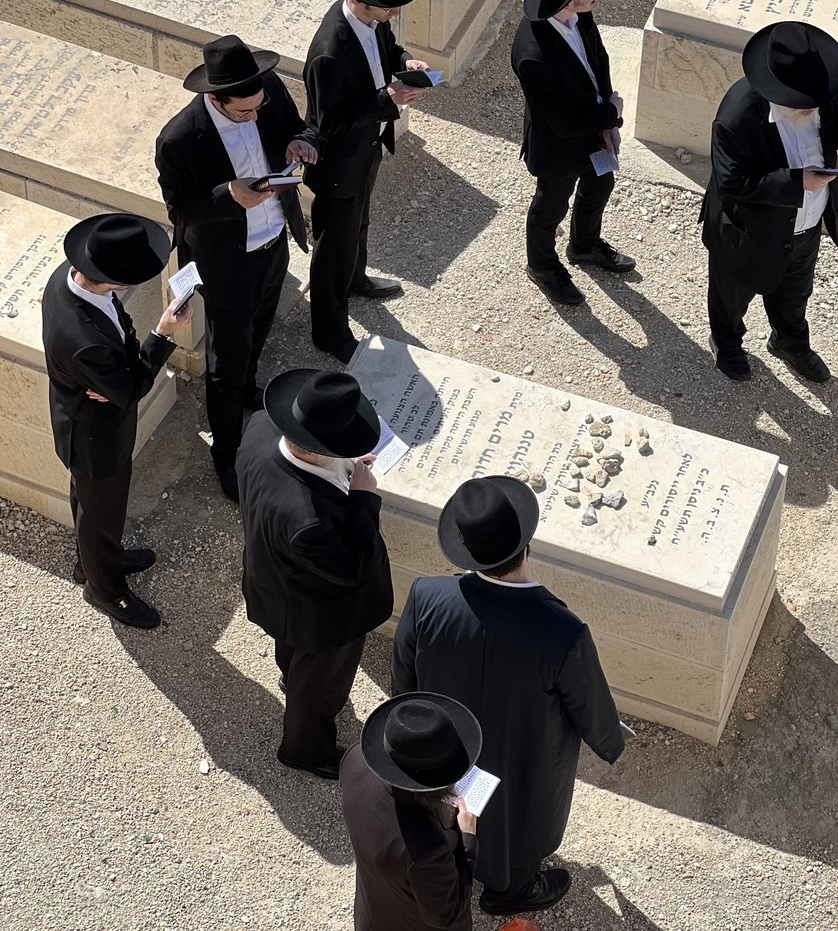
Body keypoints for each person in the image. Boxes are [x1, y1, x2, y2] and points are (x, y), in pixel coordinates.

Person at [392, 476, 625, 917]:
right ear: (526, 544)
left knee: (448, 812)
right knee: (521, 822)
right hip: (524, 756)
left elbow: (403, 679)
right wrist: (611, 741)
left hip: (448, 747)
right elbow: (589, 705)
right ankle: (511, 890)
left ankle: (460, 865)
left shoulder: (425, 597)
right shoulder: (562, 631)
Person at [156, 36, 318, 502]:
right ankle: (226, 455)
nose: (254, 115)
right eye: (243, 113)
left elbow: (298, 127)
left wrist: (300, 144)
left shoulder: (265, 92)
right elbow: (181, 210)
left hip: (274, 242)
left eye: (257, 108)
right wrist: (229, 194)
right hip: (227, 262)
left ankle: (249, 390)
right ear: (213, 98)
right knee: (226, 363)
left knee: (262, 322)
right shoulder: (179, 139)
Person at [236, 368, 393, 779]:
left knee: (291, 652)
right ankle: (304, 748)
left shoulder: (258, 428)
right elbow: (350, 566)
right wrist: (363, 498)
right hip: (321, 615)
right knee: (321, 682)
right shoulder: (310, 523)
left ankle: (292, 677)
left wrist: (345, 465)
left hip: (272, 581)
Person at [41, 212, 192, 628]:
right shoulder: (83, 343)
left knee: (94, 509)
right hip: (95, 439)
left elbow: (119, 372)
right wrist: (161, 335)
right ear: (115, 281)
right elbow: (130, 391)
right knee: (100, 512)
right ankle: (104, 589)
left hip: (90, 420)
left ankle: (93, 561)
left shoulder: (66, 278)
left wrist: (114, 375)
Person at [700, 21, 838, 383]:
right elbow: (731, 182)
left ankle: (789, 342)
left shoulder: (819, 87)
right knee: (732, 294)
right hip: (748, 231)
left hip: (806, 227)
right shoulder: (736, 116)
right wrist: (797, 183)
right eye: (804, 102)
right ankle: (726, 343)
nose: (813, 107)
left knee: (795, 293)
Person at [303, 0, 434, 362]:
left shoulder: (371, 22)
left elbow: (387, 49)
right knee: (332, 251)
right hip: (339, 163)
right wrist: (387, 100)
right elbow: (330, 123)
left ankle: (355, 279)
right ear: (359, 1)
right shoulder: (329, 52)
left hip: (366, 149)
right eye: (386, 7)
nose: (393, 13)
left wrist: (407, 61)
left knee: (358, 224)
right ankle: (329, 332)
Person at [511, 0, 634, 307]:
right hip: (560, 146)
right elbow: (563, 122)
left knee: (600, 187)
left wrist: (607, 123)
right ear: (565, 0)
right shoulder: (532, 56)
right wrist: (609, 113)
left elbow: (599, 59)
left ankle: (583, 247)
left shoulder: (580, 14)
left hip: (595, 131)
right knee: (550, 207)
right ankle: (542, 266)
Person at [340, 692, 482, 931]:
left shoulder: (354, 760)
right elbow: (444, 914)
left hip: (373, 911)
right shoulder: (429, 848)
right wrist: (467, 840)